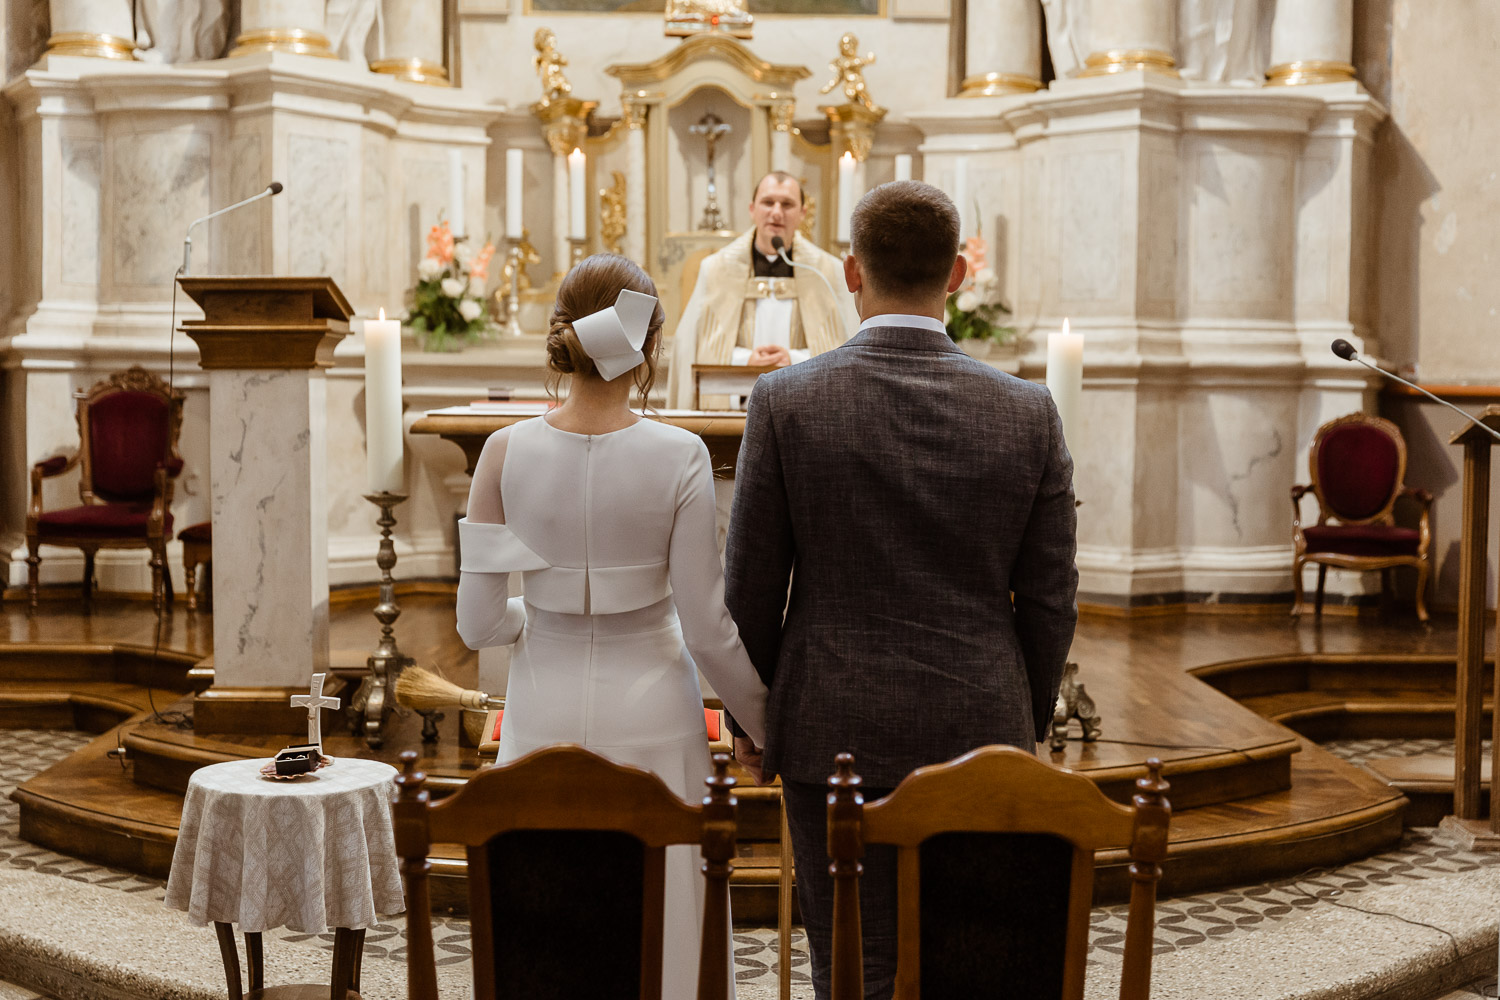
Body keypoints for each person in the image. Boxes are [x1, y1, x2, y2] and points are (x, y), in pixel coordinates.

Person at [724, 181, 1079, 1000]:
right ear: (957, 274)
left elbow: (750, 590)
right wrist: (1016, 717)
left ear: (851, 272)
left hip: (830, 730)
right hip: (981, 726)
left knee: (853, 966)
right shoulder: (1028, 412)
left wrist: (756, 720)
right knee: (971, 963)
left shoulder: (788, 401)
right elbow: (1053, 597)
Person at [455, 254, 769, 999]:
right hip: (655, 711)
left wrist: (544, 611)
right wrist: (764, 721)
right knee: (667, 912)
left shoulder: (504, 451)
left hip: (543, 715)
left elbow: (476, 623)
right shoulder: (680, 454)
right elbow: (705, 627)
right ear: (650, 345)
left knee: (549, 913)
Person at [666, 171, 859, 409]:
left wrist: (795, 360)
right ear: (752, 209)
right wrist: (745, 361)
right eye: (768, 202)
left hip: (803, 407)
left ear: (803, 213)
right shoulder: (717, 269)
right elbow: (691, 351)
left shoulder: (827, 272)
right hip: (736, 411)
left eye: (787, 204)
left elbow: (845, 350)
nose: (776, 212)